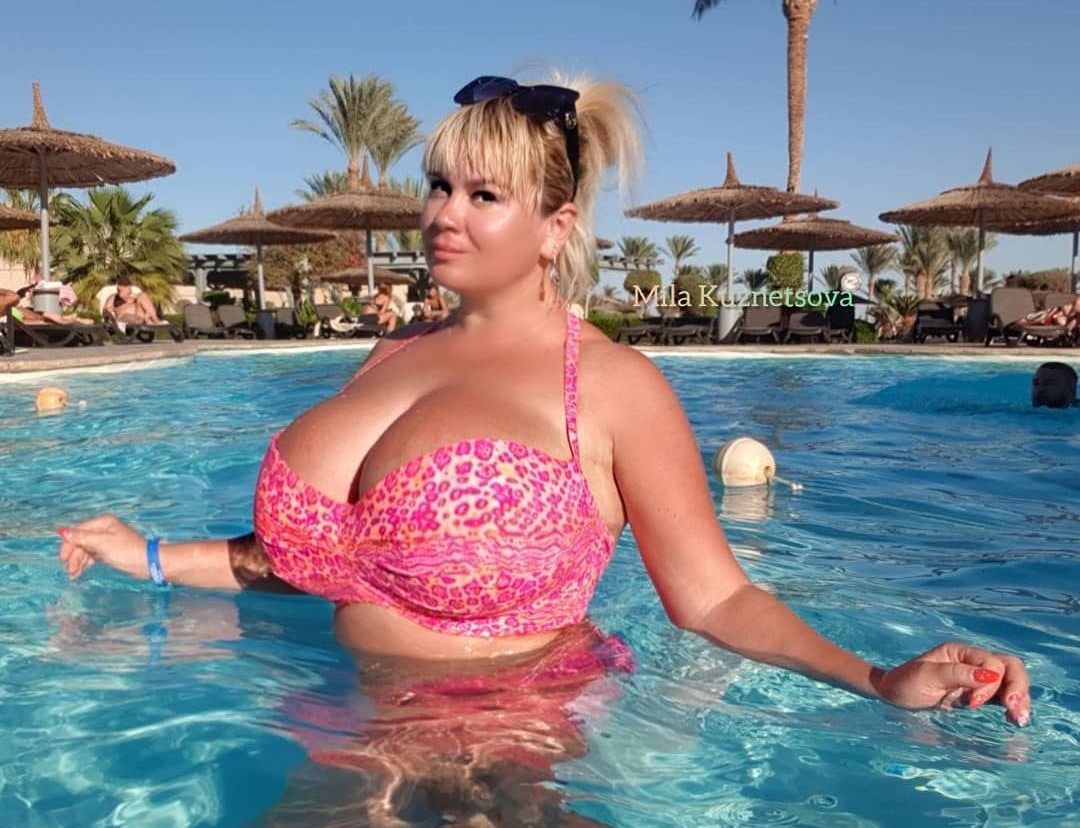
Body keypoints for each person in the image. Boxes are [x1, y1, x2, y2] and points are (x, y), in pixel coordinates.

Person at [56, 74, 1030, 822]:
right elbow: (318, 562)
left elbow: (714, 597)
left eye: (484, 194)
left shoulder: (609, 386)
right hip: (346, 721)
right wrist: (150, 555)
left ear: (556, 227)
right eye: (439, 185)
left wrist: (876, 680)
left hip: (508, 740)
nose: (444, 213)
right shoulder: (389, 357)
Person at [0, 286, 94, 326]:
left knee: (41, 318)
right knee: (42, 319)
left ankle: (71, 319)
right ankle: (71, 319)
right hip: (14, 319)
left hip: (15, 315)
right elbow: (14, 297)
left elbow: (15, 297)